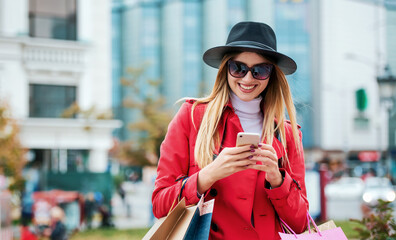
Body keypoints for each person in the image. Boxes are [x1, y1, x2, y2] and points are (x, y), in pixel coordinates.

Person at [152, 21, 309, 239]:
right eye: (238, 68)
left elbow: (301, 223)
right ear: (226, 68)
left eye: (260, 70)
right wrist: (207, 176)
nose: (247, 78)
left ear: (272, 74)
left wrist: (277, 179)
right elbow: (160, 204)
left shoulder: (287, 134)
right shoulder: (192, 116)